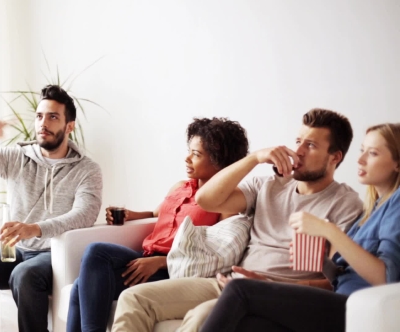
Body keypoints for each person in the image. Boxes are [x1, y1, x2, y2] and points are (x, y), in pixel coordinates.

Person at [111, 108, 364, 332]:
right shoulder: (267, 186)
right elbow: (207, 199)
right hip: (231, 283)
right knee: (134, 299)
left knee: (200, 317)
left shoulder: (344, 203)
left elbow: (335, 280)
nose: (298, 151)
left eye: (311, 145)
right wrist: (254, 158)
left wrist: (271, 283)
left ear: (335, 157)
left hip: (280, 296)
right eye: (298, 141)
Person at [198, 122, 400, 332]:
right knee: (249, 325)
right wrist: (321, 260)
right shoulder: (375, 207)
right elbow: (342, 275)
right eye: (362, 150)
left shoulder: (395, 202)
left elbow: (386, 278)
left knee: (241, 290)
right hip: (339, 300)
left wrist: (328, 230)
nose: (360, 160)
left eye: (373, 153)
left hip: (352, 307)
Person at [66, 117, 250, 332]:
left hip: (174, 270)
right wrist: (131, 215)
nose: (187, 159)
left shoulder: (227, 200)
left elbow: (217, 254)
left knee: (89, 269)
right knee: (87, 273)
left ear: (220, 162)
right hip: (144, 257)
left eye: (196, 154)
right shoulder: (180, 187)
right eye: (189, 151)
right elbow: (156, 213)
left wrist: (161, 262)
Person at [0, 84, 103, 332]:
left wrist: (34, 228)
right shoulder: (17, 157)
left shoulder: (87, 170)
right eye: (39, 116)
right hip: (17, 251)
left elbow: (84, 215)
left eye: (53, 117)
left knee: (24, 275)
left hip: (53, 255)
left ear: (69, 126)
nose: (43, 123)